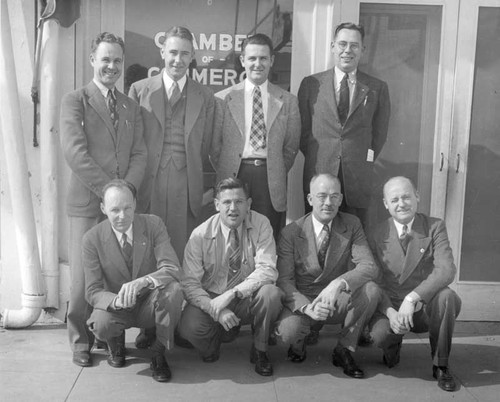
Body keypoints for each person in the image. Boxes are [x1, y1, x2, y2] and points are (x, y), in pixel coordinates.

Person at [60, 32, 147, 367]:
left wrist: (126, 194)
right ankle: (80, 340)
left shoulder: (130, 106)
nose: (111, 66)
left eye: (117, 61)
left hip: (122, 207)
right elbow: (75, 153)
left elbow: (140, 152)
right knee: (84, 278)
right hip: (87, 203)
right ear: (93, 60)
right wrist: (110, 192)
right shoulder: (75, 100)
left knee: (118, 275)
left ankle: (109, 337)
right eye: (105, 59)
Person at [274, 173, 379, 379]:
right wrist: (307, 307)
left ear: (341, 199)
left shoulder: (352, 223)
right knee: (288, 333)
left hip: (335, 300)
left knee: (371, 290)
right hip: (305, 300)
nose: (328, 203)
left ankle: (344, 349)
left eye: (334, 196)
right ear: (310, 199)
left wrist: (339, 283)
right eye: (322, 196)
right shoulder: (290, 232)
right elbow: (284, 280)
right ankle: (300, 340)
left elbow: (369, 266)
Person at [178, 178, 282, 376]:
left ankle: (260, 350)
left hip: (246, 296)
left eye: (239, 202)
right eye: (226, 202)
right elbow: (190, 284)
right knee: (189, 327)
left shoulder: (261, 224)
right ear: (217, 205)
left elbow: (267, 268)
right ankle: (218, 337)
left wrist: (234, 293)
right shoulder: (199, 234)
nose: (233, 208)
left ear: (248, 204)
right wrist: (216, 311)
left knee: (271, 293)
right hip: (213, 298)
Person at [82, 180, 183, 382]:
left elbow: (172, 268)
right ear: (103, 208)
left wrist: (144, 281)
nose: (122, 216)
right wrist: (116, 301)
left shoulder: (153, 224)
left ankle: (158, 352)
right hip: (116, 307)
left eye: (128, 208)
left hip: (149, 302)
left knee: (174, 291)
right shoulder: (91, 239)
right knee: (101, 324)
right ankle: (115, 343)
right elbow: (92, 290)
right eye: (115, 210)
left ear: (135, 204)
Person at [129, 26, 215, 262]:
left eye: (185, 54)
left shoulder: (205, 96)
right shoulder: (139, 90)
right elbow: (132, 142)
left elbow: (206, 143)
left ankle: (177, 296)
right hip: (149, 181)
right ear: (163, 53)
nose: (178, 60)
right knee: (146, 245)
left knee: (181, 248)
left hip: (186, 183)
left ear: (193, 56)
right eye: (173, 52)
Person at [369, 176, 461, 392]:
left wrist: (413, 298)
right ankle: (392, 345)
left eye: (406, 197)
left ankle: (441, 364)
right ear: (385, 204)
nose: (401, 204)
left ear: (417, 196)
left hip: (423, 307)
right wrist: (391, 312)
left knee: (447, 296)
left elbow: (446, 270)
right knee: (377, 336)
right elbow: (375, 280)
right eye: (394, 200)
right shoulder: (376, 233)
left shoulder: (434, 226)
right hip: (392, 308)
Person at [299, 22, 390, 228]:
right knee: (317, 235)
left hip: (357, 178)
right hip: (320, 175)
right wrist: (324, 155)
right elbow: (303, 134)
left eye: (354, 45)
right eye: (342, 44)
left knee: (355, 236)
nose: (347, 50)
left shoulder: (376, 88)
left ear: (362, 50)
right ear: (333, 46)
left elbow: (379, 135)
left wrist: (359, 156)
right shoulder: (311, 84)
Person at [211, 33, 301, 239]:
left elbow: (291, 147)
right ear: (243, 60)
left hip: (269, 177)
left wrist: (275, 167)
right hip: (234, 174)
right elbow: (214, 146)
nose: (257, 64)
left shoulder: (287, 101)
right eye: (252, 58)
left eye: (263, 58)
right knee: (232, 235)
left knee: (266, 236)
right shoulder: (222, 99)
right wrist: (227, 167)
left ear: (272, 61)